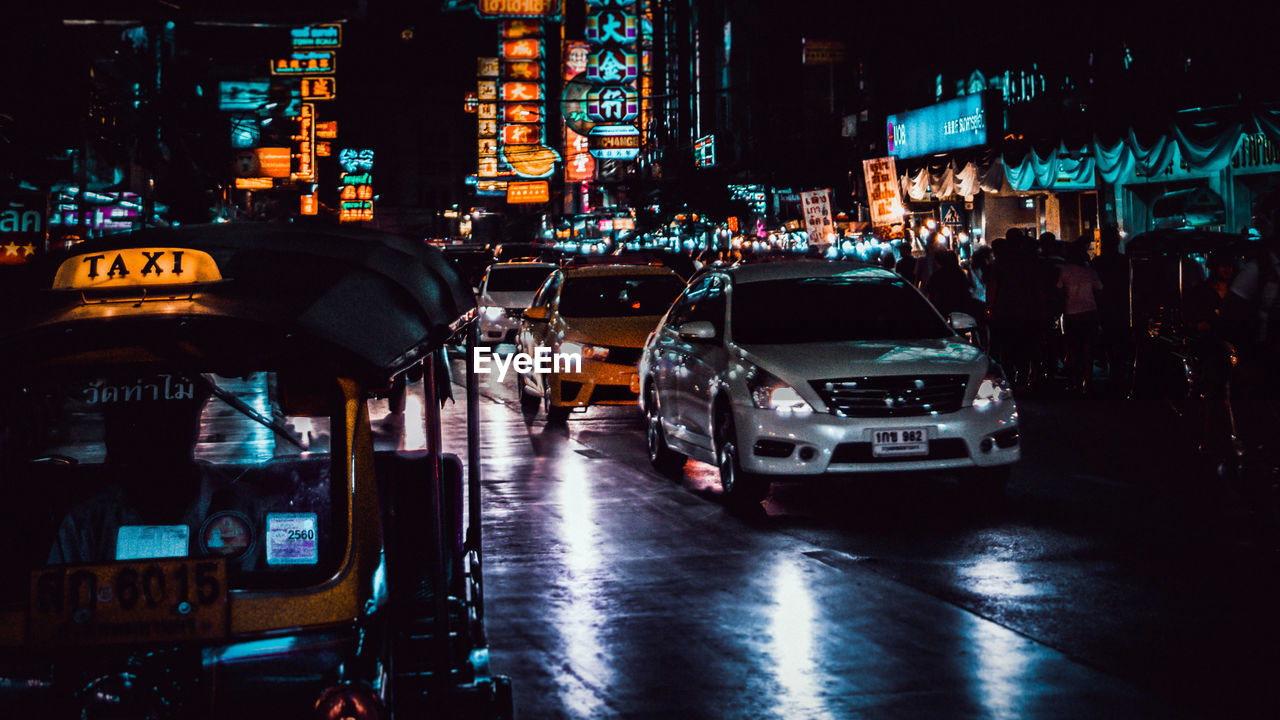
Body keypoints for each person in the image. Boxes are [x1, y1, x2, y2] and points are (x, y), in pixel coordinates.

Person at [48, 376, 265, 569]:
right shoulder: (88, 522)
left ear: (189, 429)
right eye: (127, 425)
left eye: (162, 425)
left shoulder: (244, 509)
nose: (147, 440)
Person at [986, 229, 1042, 389]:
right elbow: (1037, 287)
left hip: (1004, 311)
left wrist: (990, 308)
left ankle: (1010, 378)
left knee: (1008, 347)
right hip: (1027, 310)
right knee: (1024, 346)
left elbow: (993, 287)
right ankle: (1023, 377)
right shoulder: (1029, 261)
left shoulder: (1001, 262)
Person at [1056, 240, 1105, 393]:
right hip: (1090, 312)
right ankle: (1087, 380)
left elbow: (1060, 290)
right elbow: (1100, 288)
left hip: (1071, 313)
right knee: (1088, 347)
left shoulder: (1064, 271)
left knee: (1072, 348)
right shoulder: (1089, 271)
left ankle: (1073, 381)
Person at [1091, 226, 1131, 396]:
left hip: (1105, 306)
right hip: (1122, 306)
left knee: (1110, 339)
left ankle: (1113, 370)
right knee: (1121, 340)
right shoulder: (1124, 261)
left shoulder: (1097, 263)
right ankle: (1118, 372)